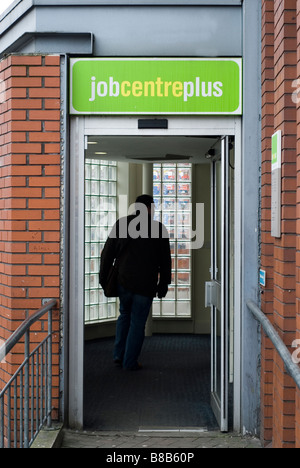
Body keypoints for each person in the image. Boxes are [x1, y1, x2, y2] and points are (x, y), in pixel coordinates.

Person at [99, 194, 172, 370]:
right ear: (148, 209)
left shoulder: (122, 224)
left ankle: (119, 354)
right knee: (138, 322)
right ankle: (130, 362)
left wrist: (103, 279)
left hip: (123, 281)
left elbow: (107, 254)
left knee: (124, 315)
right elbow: (165, 261)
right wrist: (164, 284)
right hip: (145, 285)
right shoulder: (158, 229)